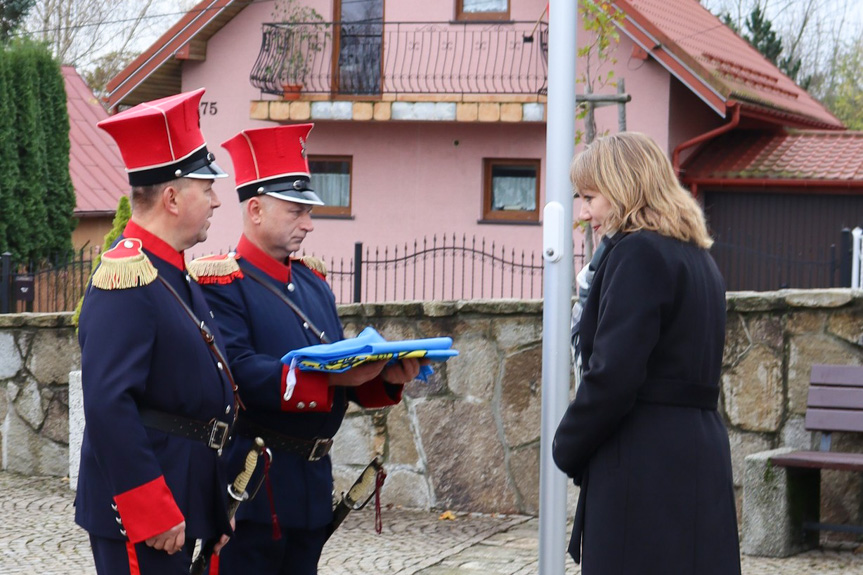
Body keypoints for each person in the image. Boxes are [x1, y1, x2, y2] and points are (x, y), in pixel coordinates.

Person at [190, 123, 424, 575]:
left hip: (312, 486)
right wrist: (331, 377)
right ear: (255, 209)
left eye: (308, 211)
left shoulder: (314, 283)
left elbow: (343, 372)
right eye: (297, 211)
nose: (309, 224)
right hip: (253, 488)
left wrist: (385, 377)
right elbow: (238, 372)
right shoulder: (221, 282)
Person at [552, 132, 741, 575]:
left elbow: (614, 376)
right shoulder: (696, 258)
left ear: (623, 187)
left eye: (590, 197)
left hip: (644, 465)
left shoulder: (637, 253)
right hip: (697, 455)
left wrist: (567, 445)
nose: (583, 213)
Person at [75, 88, 238, 574]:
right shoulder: (126, 276)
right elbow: (108, 402)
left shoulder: (173, 273)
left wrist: (214, 505)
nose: (215, 200)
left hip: (187, 496)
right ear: (171, 197)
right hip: (149, 510)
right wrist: (151, 507)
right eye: (205, 188)